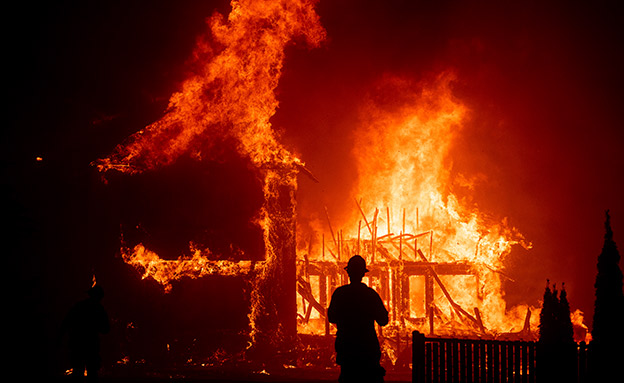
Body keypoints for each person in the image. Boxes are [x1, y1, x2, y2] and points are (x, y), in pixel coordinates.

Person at [328, 255, 389, 383]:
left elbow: (331, 317)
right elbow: (383, 320)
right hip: (367, 349)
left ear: (348, 273)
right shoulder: (371, 295)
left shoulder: (339, 294)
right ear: (363, 274)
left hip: (347, 349)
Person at [60, 284, 110, 381]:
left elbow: (66, 321)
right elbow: (106, 329)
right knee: (91, 372)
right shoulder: (99, 309)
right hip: (91, 345)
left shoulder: (79, 306)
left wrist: (60, 337)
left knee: (78, 371)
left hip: (78, 344)